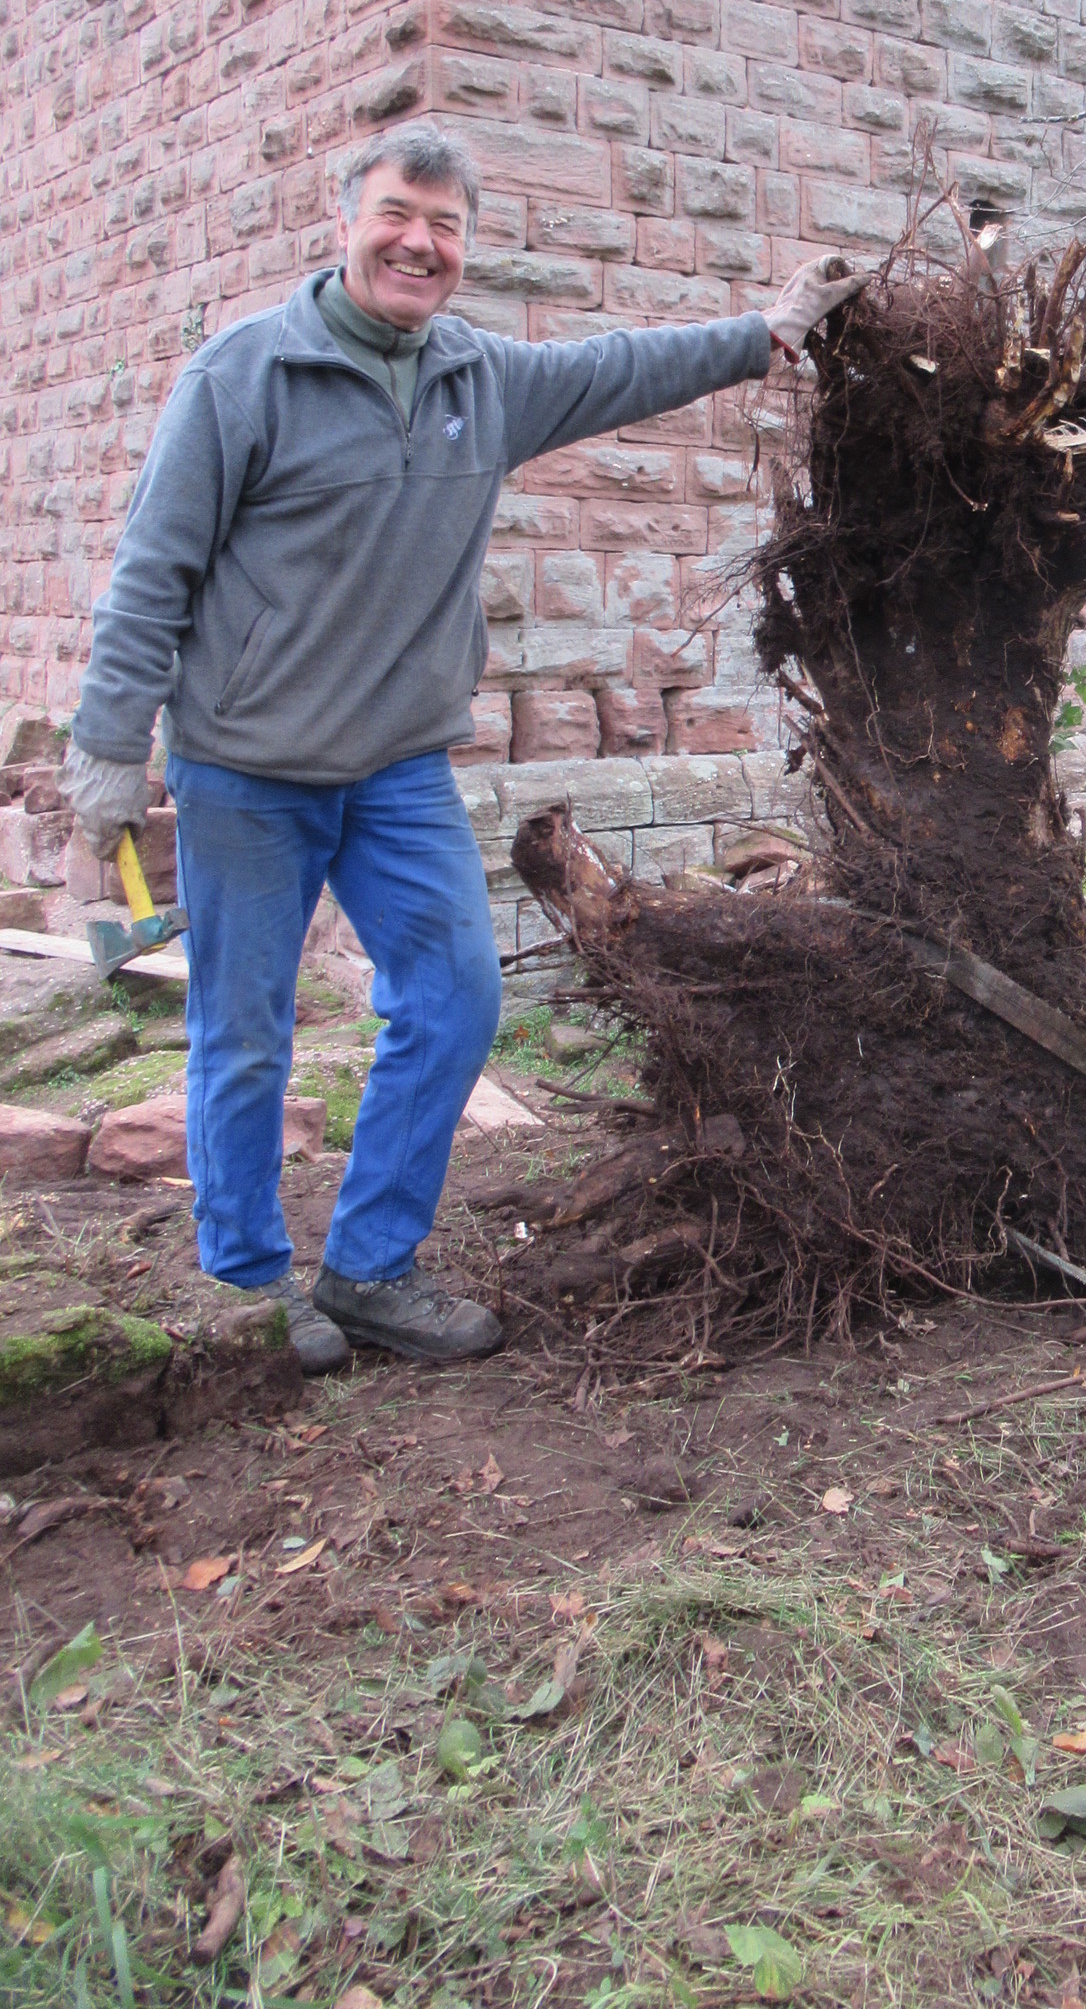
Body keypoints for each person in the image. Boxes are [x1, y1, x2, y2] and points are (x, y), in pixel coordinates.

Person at [62, 119, 861, 1374]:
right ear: (347, 222)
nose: (418, 244)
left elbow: (618, 367)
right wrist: (109, 751)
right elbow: (151, 572)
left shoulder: (477, 381)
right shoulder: (243, 376)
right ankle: (249, 1281)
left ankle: (373, 1267)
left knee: (454, 995)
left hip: (396, 769)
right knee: (245, 1034)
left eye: (445, 226)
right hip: (247, 770)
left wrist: (769, 331)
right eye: (397, 214)